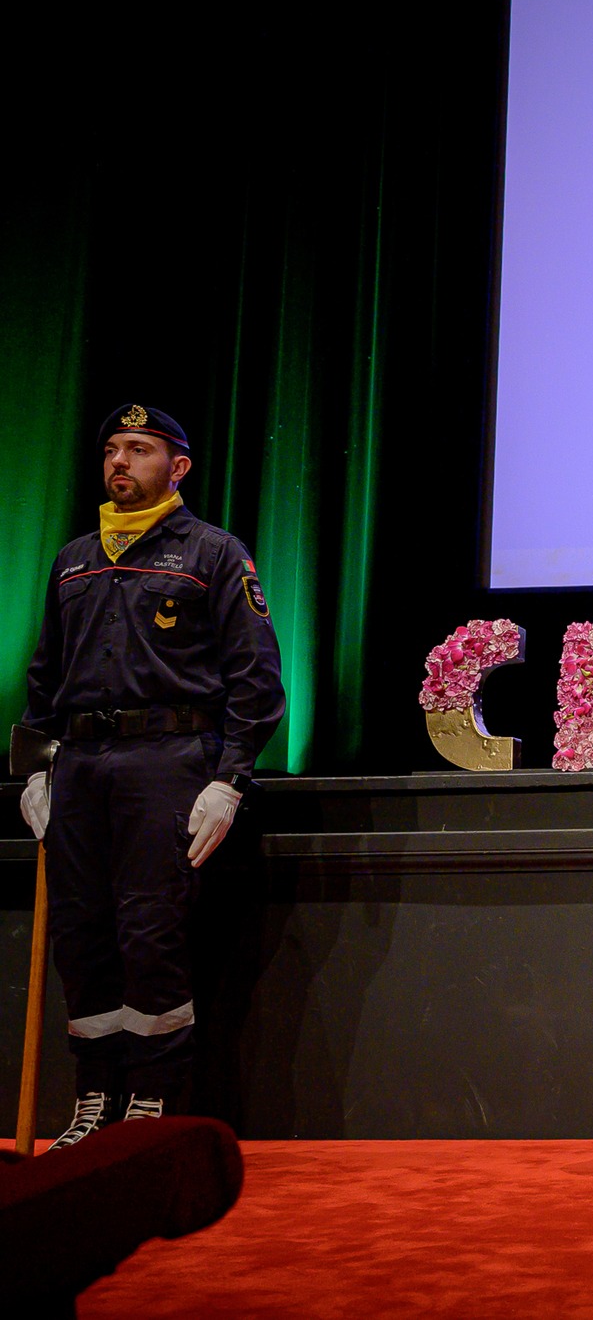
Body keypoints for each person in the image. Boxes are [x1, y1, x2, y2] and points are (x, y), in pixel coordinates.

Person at [17, 405, 285, 1142]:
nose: (119, 462)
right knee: (83, 935)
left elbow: (256, 680)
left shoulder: (212, 553)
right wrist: (35, 771)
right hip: (80, 767)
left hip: (166, 764)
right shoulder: (73, 558)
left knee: (149, 933)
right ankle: (95, 1097)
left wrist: (229, 779)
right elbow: (44, 677)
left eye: (139, 448)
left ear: (178, 466)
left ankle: (152, 1103)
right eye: (111, 448)